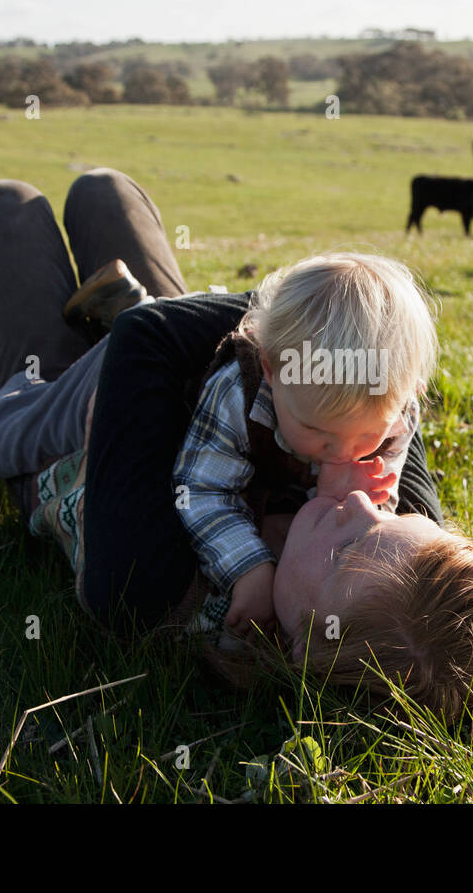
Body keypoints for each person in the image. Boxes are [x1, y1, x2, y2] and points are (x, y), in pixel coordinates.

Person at [0, 168, 473, 722]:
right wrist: (333, 333)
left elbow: (146, 340)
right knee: (103, 190)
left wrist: (285, 329)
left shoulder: (144, 587)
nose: (365, 501)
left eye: (353, 543)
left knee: (10, 205)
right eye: (396, 520)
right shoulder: (393, 586)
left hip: (75, 410)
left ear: (299, 644)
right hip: (208, 371)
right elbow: (382, 402)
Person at [171, 251, 437, 639]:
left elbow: (378, 512)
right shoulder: (237, 391)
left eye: (367, 436)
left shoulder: (398, 412)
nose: (344, 452)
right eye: (316, 429)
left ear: (410, 394)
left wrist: (338, 499)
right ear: (270, 370)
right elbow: (200, 489)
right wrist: (249, 566)